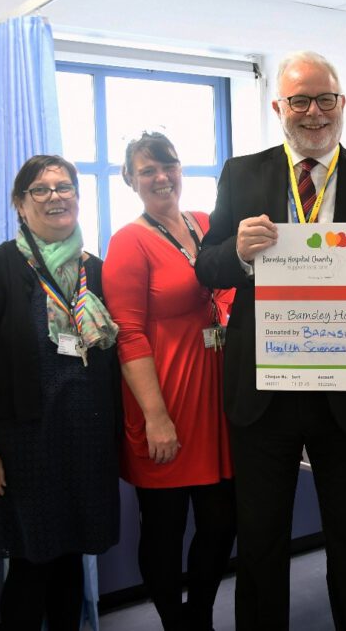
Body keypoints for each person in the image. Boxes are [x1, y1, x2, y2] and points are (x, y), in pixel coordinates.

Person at [195, 50, 346, 630]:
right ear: (278, 107)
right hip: (264, 389)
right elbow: (205, 266)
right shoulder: (242, 174)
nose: (314, 113)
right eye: (300, 101)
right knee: (261, 543)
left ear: (342, 104)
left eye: (325, 100)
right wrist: (237, 252)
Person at [0, 155, 120, 630]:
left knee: (68, 559)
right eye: (39, 190)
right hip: (23, 447)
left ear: (78, 198)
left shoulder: (97, 271)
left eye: (64, 187)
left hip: (83, 444)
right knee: (30, 565)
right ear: (19, 205)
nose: (54, 197)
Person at [102, 132, 236, 631]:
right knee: (165, 529)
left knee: (223, 523)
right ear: (131, 180)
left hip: (217, 403)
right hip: (165, 405)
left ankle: (198, 615)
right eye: (147, 170)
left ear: (182, 170)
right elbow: (129, 336)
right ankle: (174, 622)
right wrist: (156, 418)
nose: (161, 177)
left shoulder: (205, 224)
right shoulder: (128, 242)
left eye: (169, 166)